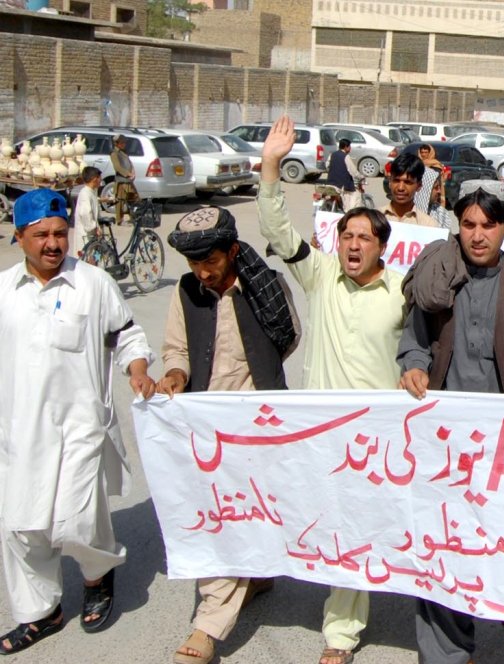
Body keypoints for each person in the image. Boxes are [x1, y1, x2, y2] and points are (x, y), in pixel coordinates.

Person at [397, 181, 504, 664]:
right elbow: (413, 341)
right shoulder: (438, 273)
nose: (477, 236)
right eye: (468, 225)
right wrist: (413, 364)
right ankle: (449, 651)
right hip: (446, 440)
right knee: (446, 540)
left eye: (488, 225)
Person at [258, 115, 408, 664]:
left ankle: (360, 627)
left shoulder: (402, 292)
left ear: (381, 248)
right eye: (346, 235)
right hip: (318, 433)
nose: (351, 244)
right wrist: (272, 166)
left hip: (376, 439)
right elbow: (277, 229)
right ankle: (319, 617)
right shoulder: (318, 274)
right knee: (320, 518)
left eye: (363, 237)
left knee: (375, 524)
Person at [0, 188, 156, 654]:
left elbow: (127, 333)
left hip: (82, 428)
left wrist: (139, 369)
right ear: (20, 236)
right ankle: (40, 612)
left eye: (60, 233)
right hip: (19, 434)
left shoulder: (93, 282)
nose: (53, 243)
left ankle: (97, 574)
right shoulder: (4, 291)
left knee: (78, 521)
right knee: (22, 528)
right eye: (41, 234)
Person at [161, 206, 300, 664]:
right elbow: (176, 348)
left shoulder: (264, 290)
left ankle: (207, 626)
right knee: (219, 516)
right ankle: (236, 593)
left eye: (212, 261)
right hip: (207, 427)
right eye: (195, 263)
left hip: (258, 423)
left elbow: (289, 336)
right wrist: (177, 373)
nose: (203, 271)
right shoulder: (187, 292)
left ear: (233, 252)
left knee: (248, 510)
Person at [383, 152, 438, 227]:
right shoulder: (375, 219)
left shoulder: (428, 225)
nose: (400, 188)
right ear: (390, 182)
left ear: (419, 186)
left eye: (407, 182)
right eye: (396, 181)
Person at [326, 138, 365, 212]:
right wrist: (361, 177)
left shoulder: (332, 155)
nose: (350, 149)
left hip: (330, 183)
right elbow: (353, 171)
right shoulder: (346, 157)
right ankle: (349, 213)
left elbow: (327, 166)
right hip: (342, 185)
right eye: (349, 147)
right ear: (346, 147)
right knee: (356, 195)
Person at [73, 166, 103, 256]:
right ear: (94, 179)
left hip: (90, 235)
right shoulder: (85, 193)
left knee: (94, 256)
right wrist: (94, 227)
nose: (100, 181)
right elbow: (85, 213)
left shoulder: (91, 192)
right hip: (85, 234)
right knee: (86, 258)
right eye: (99, 178)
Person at [110, 134, 137, 225]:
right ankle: (119, 220)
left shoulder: (124, 152)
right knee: (120, 201)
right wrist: (128, 174)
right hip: (121, 180)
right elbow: (117, 167)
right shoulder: (114, 153)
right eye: (122, 142)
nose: (124, 144)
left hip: (129, 180)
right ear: (117, 143)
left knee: (132, 199)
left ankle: (133, 217)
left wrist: (133, 171)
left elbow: (129, 163)